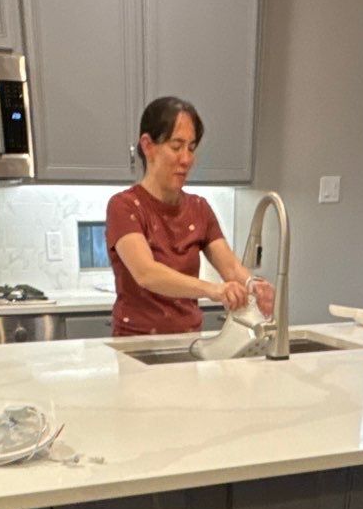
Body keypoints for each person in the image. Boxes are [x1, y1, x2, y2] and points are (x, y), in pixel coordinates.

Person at [106, 96, 275, 336]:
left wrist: (252, 285)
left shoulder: (199, 208)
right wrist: (214, 290)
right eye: (176, 147)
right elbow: (147, 273)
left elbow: (230, 266)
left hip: (188, 341)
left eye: (191, 148)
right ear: (147, 145)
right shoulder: (124, 206)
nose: (186, 159)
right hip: (136, 345)